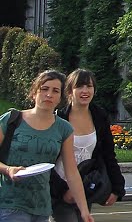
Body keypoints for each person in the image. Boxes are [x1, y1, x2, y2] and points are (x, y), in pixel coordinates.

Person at [0, 70, 93, 222]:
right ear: (34, 93)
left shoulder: (64, 129)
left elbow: (71, 173)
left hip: (41, 207)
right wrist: (8, 169)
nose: (49, 94)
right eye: (44, 89)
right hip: (9, 204)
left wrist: (84, 210)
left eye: (55, 91)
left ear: (60, 98)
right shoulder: (11, 120)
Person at [50, 69, 125, 222]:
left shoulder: (99, 116)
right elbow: (48, 159)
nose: (85, 91)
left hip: (85, 187)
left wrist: (117, 188)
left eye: (89, 86)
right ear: (70, 91)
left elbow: (108, 154)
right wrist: (63, 191)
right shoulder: (59, 119)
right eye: (79, 86)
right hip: (59, 191)